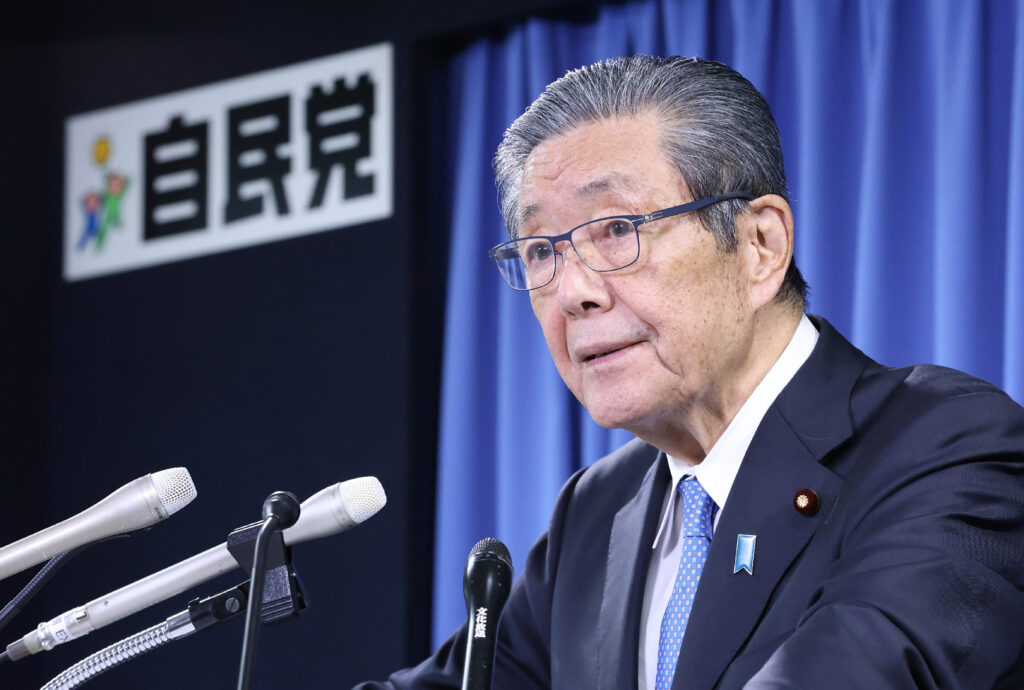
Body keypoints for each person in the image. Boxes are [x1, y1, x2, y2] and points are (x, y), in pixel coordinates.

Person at [358, 55, 1024, 689]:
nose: (572, 292)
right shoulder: (596, 510)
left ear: (760, 246)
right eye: (539, 251)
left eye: (616, 230)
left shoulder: (947, 445)